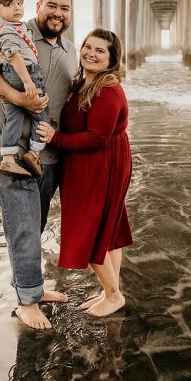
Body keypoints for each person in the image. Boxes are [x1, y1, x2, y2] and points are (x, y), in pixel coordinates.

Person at [0, 0, 77, 330]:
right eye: (51, 5)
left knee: (36, 223)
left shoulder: (69, 49)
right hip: (8, 145)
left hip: (45, 153)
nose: (57, 13)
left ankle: (33, 287)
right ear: (38, 5)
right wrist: (18, 99)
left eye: (65, 8)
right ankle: (27, 302)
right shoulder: (13, 28)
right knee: (22, 225)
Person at [36, 29, 133, 318]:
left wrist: (55, 138)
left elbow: (96, 138)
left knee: (90, 231)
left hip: (99, 163)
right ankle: (110, 291)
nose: (91, 53)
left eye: (100, 50)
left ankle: (114, 296)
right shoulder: (85, 82)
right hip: (93, 162)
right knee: (109, 231)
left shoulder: (107, 89)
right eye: (87, 47)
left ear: (112, 58)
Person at [0, 0, 49, 177]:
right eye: (9, 4)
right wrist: (27, 82)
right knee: (41, 111)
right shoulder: (8, 31)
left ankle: (8, 159)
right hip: (25, 71)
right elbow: (15, 56)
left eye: (20, 3)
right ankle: (34, 153)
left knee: (14, 117)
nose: (17, 8)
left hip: (10, 74)